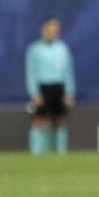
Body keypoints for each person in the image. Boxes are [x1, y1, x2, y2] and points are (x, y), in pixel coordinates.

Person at [25, 16, 75, 155]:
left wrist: (69, 91)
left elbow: (68, 71)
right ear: (44, 29)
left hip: (59, 87)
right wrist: (34, 92)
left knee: (60, 121)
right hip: (43, 87)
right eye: (50, 28)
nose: (53, 31)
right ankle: (36, 153)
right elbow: (31, 71)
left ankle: (61, 153)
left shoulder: (62, 48)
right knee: (39, 121)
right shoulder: (35, 49)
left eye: (56, 29)